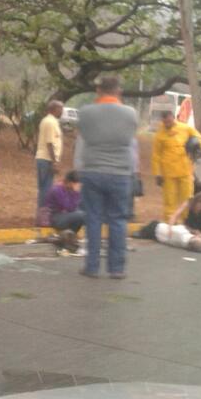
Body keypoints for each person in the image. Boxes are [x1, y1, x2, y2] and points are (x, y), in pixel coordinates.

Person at [76, 76, 137, 279]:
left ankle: (91, 266)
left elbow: (84, 139)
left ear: (98, 91)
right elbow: (130, 142)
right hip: (120, 173)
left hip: (92, 171)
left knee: (93, 219)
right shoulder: (131, 114)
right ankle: (117, 268)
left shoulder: (86, 113)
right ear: (118, 91)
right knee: (118, 220)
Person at [152, 111, 201, 220]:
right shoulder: (160, 134)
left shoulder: (185, 128)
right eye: (165, 122)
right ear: (162, 121)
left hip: (185, 171)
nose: (167, 123)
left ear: (173, 117)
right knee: (169, 202)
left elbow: (199, 138)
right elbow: (156, 155)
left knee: (187, 199)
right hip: (168, 174)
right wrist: (157, 173)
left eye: (169, 121)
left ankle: (185, 223)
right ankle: (169, 225)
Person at [35, 100, 63, 209]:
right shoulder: (50, 122)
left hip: (44, 158)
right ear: (54, 109)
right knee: (46, 188)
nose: (62, 111)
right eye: (60, 109)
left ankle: (41, 213)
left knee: (44, 188)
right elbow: (50, 143)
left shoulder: (49, 121)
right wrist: (54, 161)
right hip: (46, 159)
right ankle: (43, 214)